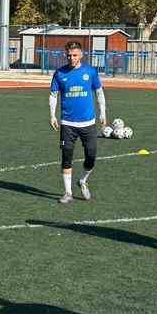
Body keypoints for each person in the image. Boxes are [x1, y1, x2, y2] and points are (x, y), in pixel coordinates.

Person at [50, 40, 108, 203]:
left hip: (88, 124)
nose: (71, 58)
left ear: (81, 55)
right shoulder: (59, 73)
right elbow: (53, 95)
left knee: (91, 156)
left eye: (74, 55)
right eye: (69, 55)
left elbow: (99, 92)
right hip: (67, 124)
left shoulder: (90, 72)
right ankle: (68, 193)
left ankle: (82, 180)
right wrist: (52, 115)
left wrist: (103, 112)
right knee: (66, 156)